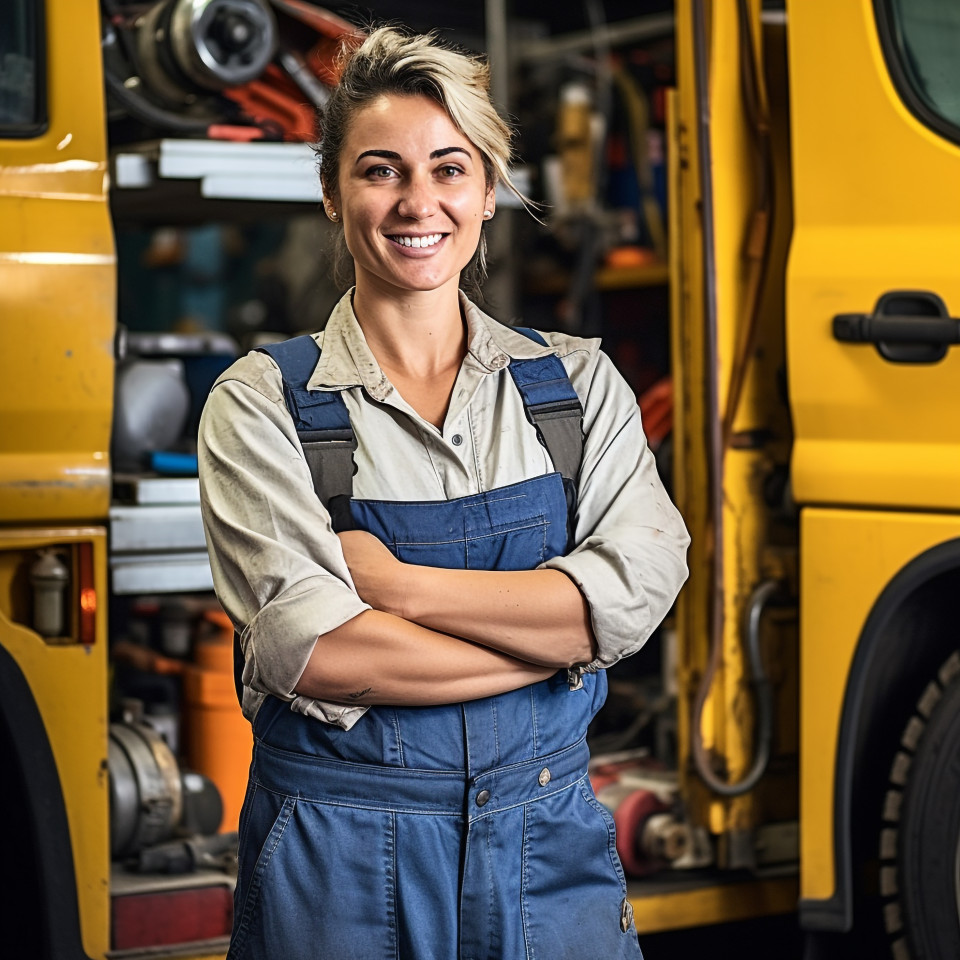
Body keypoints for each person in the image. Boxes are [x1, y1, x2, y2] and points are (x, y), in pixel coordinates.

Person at [198, 25, 689, 960]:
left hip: (547, 845)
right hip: (340, 861)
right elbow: (320, 655)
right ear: (332, 194)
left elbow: (634, 593)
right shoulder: (262, 404)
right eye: (380, 170)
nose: (418, 201)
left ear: (490, 189)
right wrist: (564, 644)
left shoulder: (577, 388)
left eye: (449, 167)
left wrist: (401, 589)